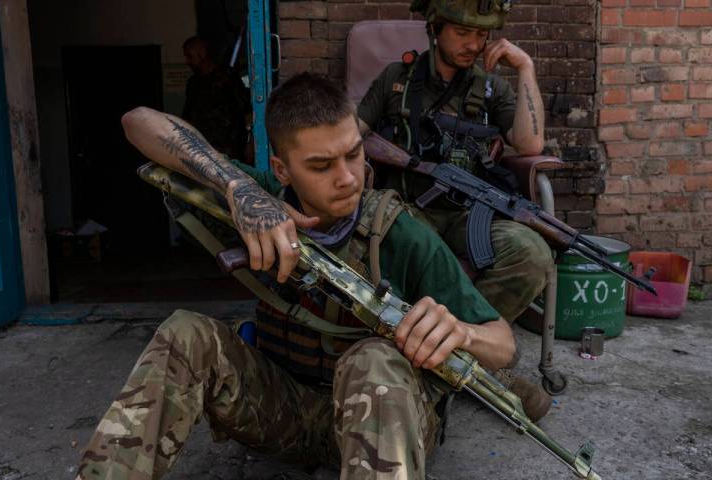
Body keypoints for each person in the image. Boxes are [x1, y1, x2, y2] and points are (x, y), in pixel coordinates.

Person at [75, 73, 516, 479]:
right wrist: (237, 188)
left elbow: (503, 343)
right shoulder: (257, 199)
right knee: (185, 334)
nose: (347, 178)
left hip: (384, 425)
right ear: (282, 169)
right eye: (321, 166)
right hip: (281, 410)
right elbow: (138, 122)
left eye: (353, 155)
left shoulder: (401, 233)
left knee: (374, 360)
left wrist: (459, 333)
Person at [357, 0, 553, 414]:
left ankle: (468, 353)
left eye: (481, 35)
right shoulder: (398, 79)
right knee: (410, 245)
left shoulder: (490, 88)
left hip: (468, 215)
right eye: (463, 33)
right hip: (407, 209)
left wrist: (525, 69)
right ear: (435, 28)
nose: (473, 44)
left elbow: (530, 145)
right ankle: (473, 369)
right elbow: (352, 136)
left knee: (533, 252)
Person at [182, 36, 250, 162]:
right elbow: (188, 117)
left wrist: (250, 142)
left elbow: (247, 111)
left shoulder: (227, 78)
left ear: (202, 53)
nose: (187, 61)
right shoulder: (193, 83)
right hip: (202, 151)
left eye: (190, 56)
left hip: (230, 150)